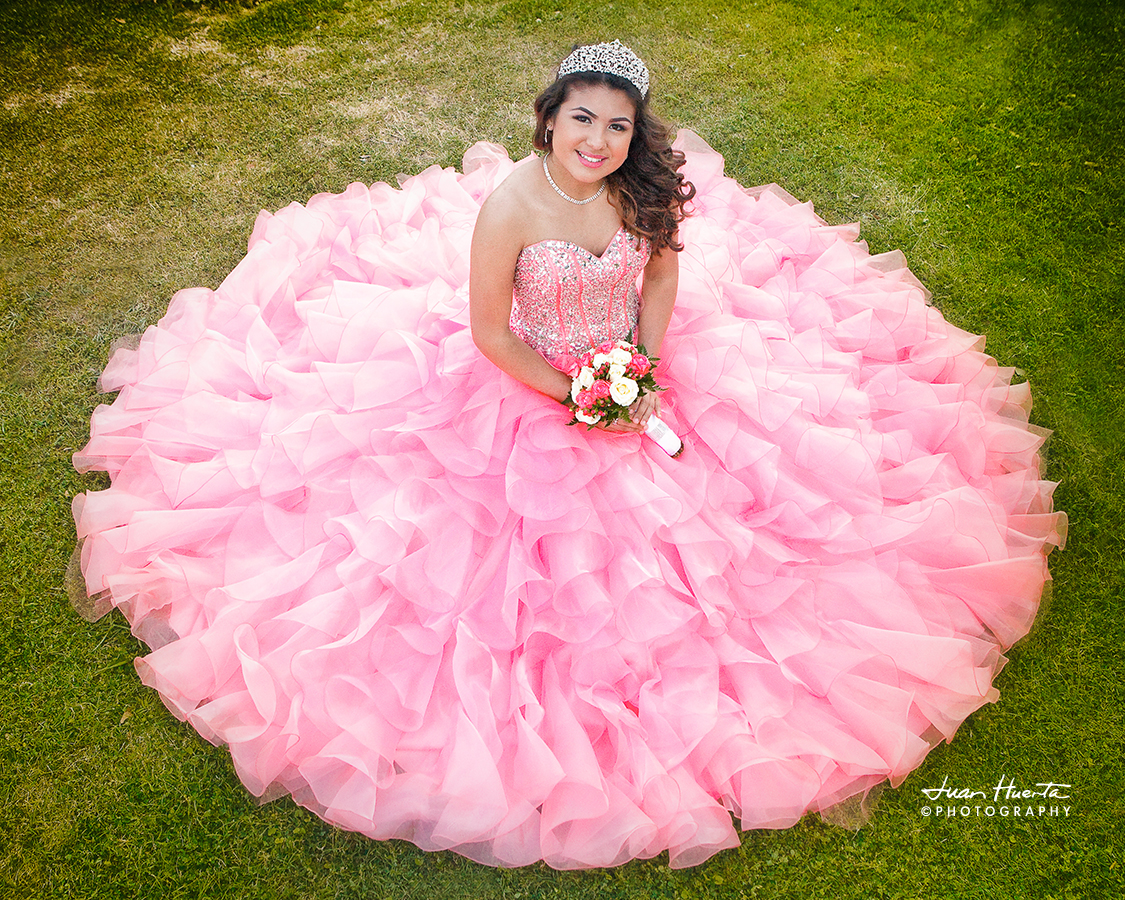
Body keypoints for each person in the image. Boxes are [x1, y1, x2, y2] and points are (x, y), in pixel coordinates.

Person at [70, 40, 1066, 869]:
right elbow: (491, 338)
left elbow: (665, 278)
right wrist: (581, 397)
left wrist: (643, 364)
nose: (598, 140)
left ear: (636, 134)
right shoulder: (511, 208)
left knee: (753, 535)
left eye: (617, 124)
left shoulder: (641, 191)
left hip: (635, 367)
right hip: (530, 384)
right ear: (548, 118)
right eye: (581, 119)